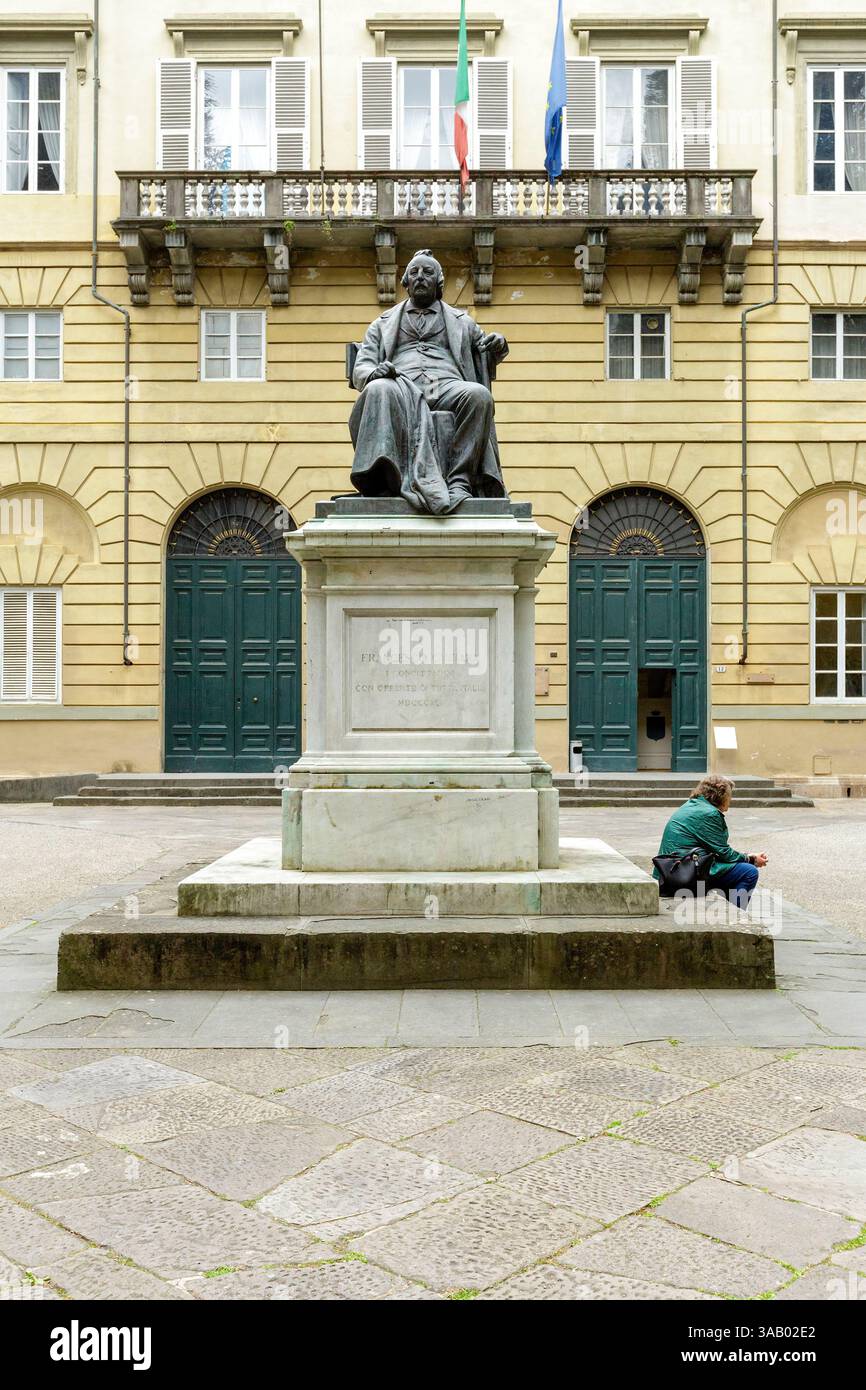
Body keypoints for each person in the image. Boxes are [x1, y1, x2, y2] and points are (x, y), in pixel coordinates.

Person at [349, 249, 509, 514]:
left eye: (427, 272)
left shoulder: (462, 322)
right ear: (405, 283)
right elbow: (362, 366)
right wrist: (374, 373)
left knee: (479, 396)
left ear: (439, 282)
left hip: (447, 385)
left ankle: (460, 480)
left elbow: (486, 349)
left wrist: (498, 345)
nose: (420, 277)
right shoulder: (382, 323)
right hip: (401, 386)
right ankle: (385, 478)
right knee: (378, 388)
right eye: (414, 272)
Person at [654, 774, 768, 908]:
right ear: (721, 794)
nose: (730, 800)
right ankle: (735, 917)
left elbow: (718, 850)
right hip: (683, 875)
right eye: (729, 796)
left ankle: (727, 909)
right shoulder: (709, 813)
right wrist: (752, 860)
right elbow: (724, 853)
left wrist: (748, 856)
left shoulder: (692, 805)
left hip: (673, 870)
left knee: (733, 869)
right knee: (749, 872)